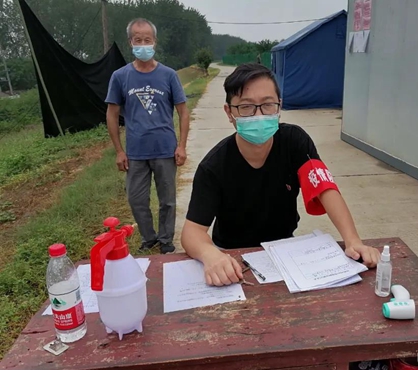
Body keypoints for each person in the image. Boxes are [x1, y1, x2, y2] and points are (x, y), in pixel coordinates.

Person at [180, 63, 380, 286]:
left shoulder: (295, 142)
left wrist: (353, 241)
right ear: (229, 112)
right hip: (231, 256)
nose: (258, 115)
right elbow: (192, 232)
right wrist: (211, 256)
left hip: (286, 251)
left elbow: (325, 189)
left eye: (268, 105)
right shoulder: (214, 166)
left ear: (279, 106)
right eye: (246, 107)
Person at [106, 18, 190, 254]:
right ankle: (148, 237)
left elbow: (183, 112)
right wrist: (119, 151)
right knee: (137, 199)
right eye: (138, 40)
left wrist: (182, 146)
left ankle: (165, 239)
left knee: (167, 200)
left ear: (155, 42)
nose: (143, 44)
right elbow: (112, 114)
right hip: (136, 152)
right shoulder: (120, 76)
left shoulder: (169, 75)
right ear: (130, 42)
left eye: (147, 40)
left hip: (165, 149)